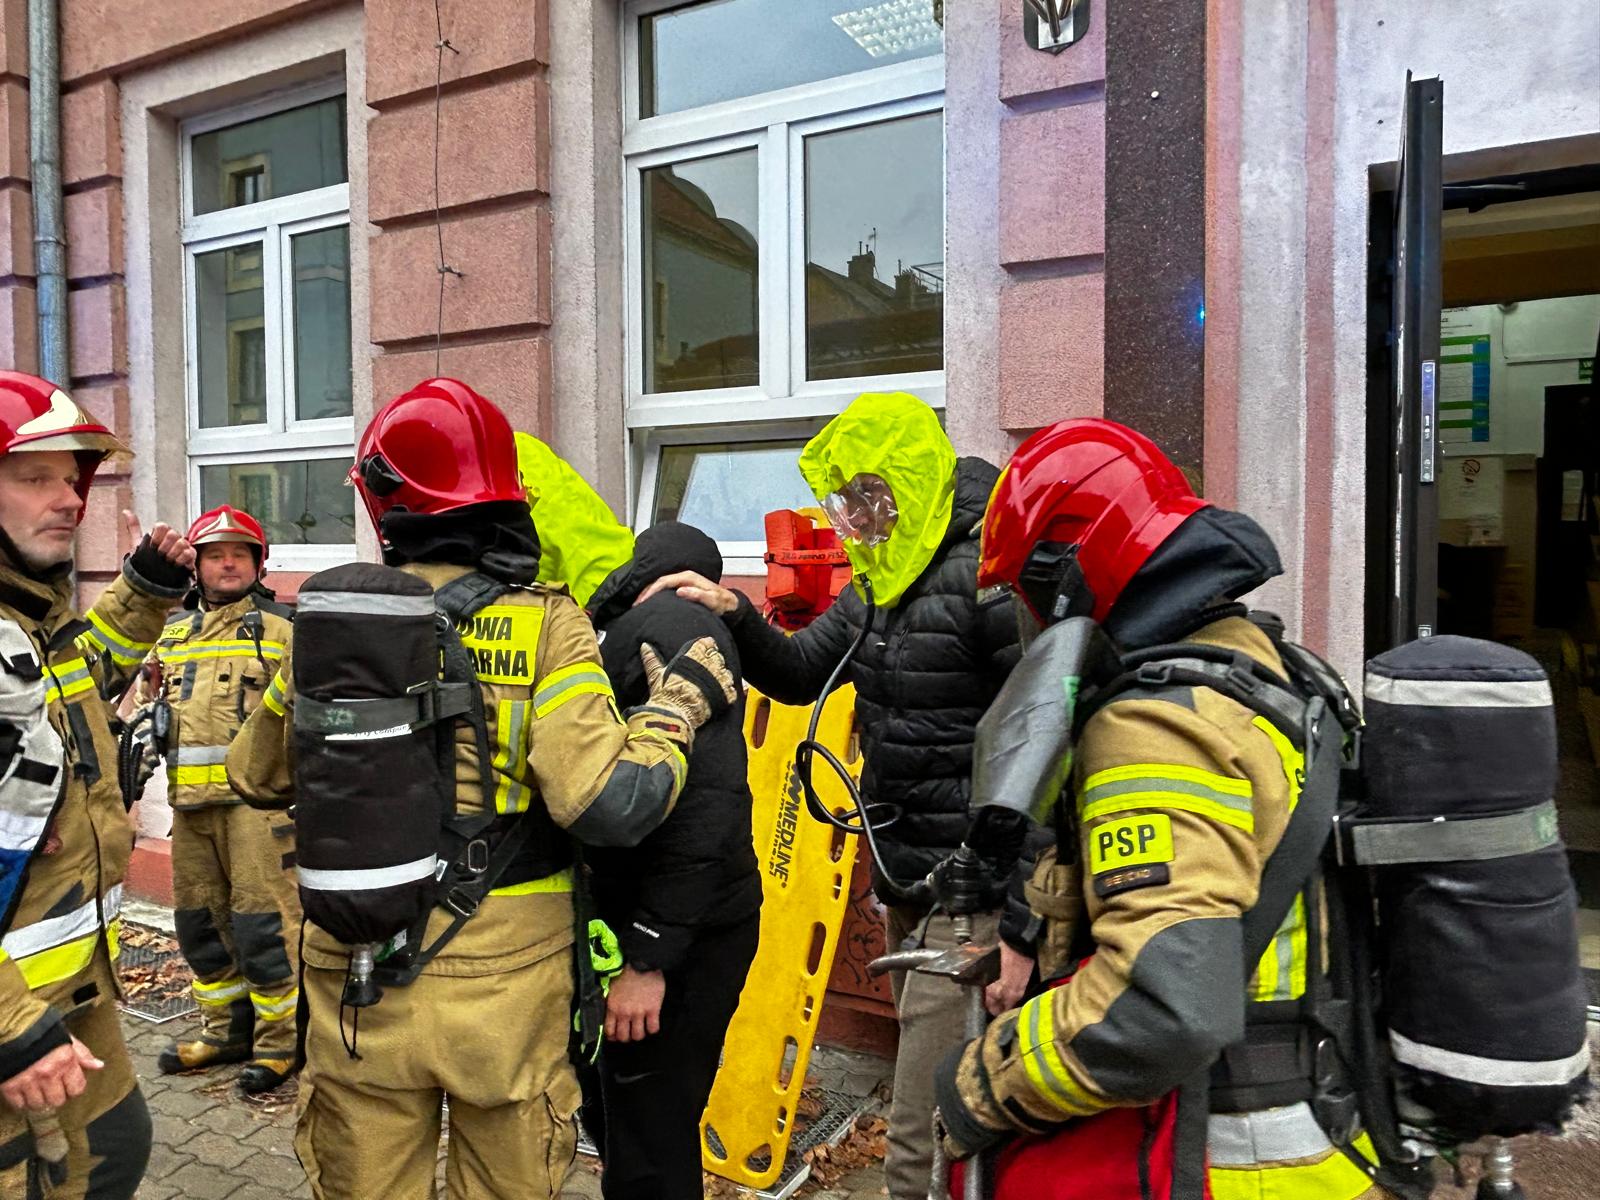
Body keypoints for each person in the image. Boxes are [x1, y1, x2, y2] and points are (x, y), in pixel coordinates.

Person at [225, 378, 738, 1200]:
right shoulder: (547, 622)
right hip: (504, 991)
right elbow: (607, 804)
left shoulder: (331, 625)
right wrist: (678, 708)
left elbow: (253, 775)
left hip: (355, 976)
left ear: (385, 504)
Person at [933, 418, 1397, 1199]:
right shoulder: (1265, 665)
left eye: (1024, 592)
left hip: (1233, 1158)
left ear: (1062, 574)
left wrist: (982, 1083)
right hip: (1318, 1124)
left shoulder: (1155, 725)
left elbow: (1158, 1009)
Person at [637, 390, 1020, 1199]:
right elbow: (803, 668)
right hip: (907, 876)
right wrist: (733, 615)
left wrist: (1020, 919)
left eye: (865, 498)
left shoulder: (991, 572)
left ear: (908, 481)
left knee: (922, 1125)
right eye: (843, 502)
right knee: (949, 1106)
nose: (853, 519)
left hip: (972, 888)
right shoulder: (884, 573)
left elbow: (1046, 748)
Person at [0, 372, 196, 1199]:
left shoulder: (32, 624)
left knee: (114, 1146)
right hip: (18, 1020)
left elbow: (74, 681)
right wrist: (12, 1031)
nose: (69, 497)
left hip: (72, 997)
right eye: (34, 476)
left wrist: (146, 589)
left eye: (73, 476)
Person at [579, 520, 762, 1200]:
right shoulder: (627, 629)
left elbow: (705, 810)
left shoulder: (675, 626)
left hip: (678, 938)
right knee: (630, 1120)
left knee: (650, 1140)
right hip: (659, 925)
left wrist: (649, 958)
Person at [131, 506, 301, 1095]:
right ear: (197, 567)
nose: (227, 563)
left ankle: (281, 1044)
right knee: (201, 925)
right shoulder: (172, 634)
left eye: (239, 553)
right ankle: (223, 1031)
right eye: (214, 554)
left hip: (259, 811)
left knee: (265, 929)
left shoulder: (286, 631)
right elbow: (149, 708)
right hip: (189, 807)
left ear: (259, 564)